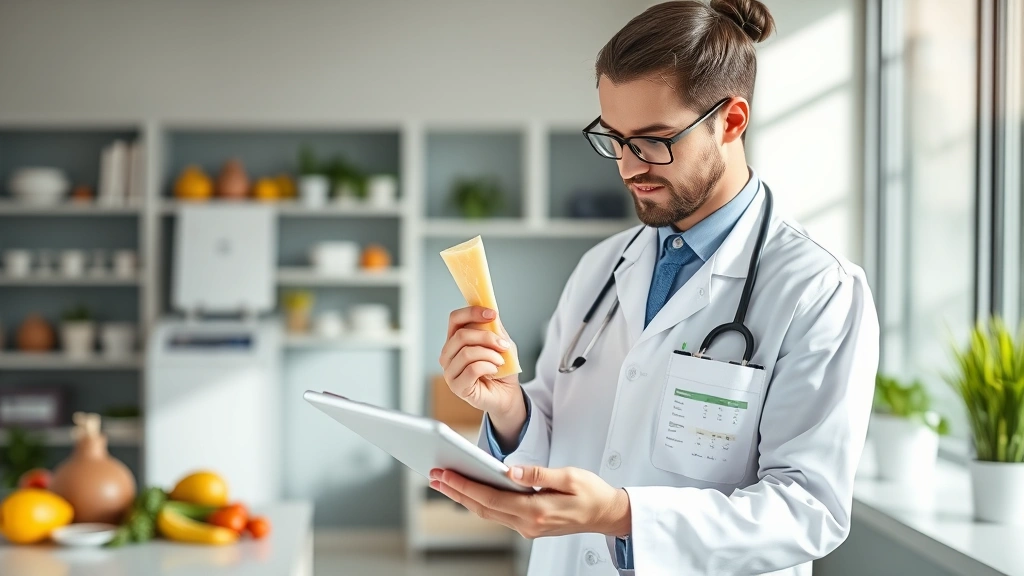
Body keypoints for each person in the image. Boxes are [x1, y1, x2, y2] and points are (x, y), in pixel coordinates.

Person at [432, 1, 879, 574]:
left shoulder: (818, 289)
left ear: (732, 121)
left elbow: (808, 509)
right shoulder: (600, 268)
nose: (626, 166)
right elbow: (556, 433)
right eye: (614, 138)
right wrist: (506, 407)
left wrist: (624, 517)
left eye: (653, 140)